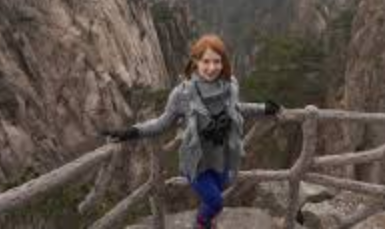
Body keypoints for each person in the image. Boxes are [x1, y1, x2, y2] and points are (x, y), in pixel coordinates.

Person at [101, 34, 282, 229]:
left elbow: (236, 108)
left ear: (223, 62)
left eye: (217, 61)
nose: (212, 68)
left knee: (221, 186)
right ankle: (202, 223)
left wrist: (263, 108)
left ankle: (207, 219)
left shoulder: (229, 86)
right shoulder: (182, 94)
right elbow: (162, 123)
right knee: (216, 202)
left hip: (221, 157)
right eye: (206, 61)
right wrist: (131, 132)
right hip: (196, 163)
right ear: (195, 61)